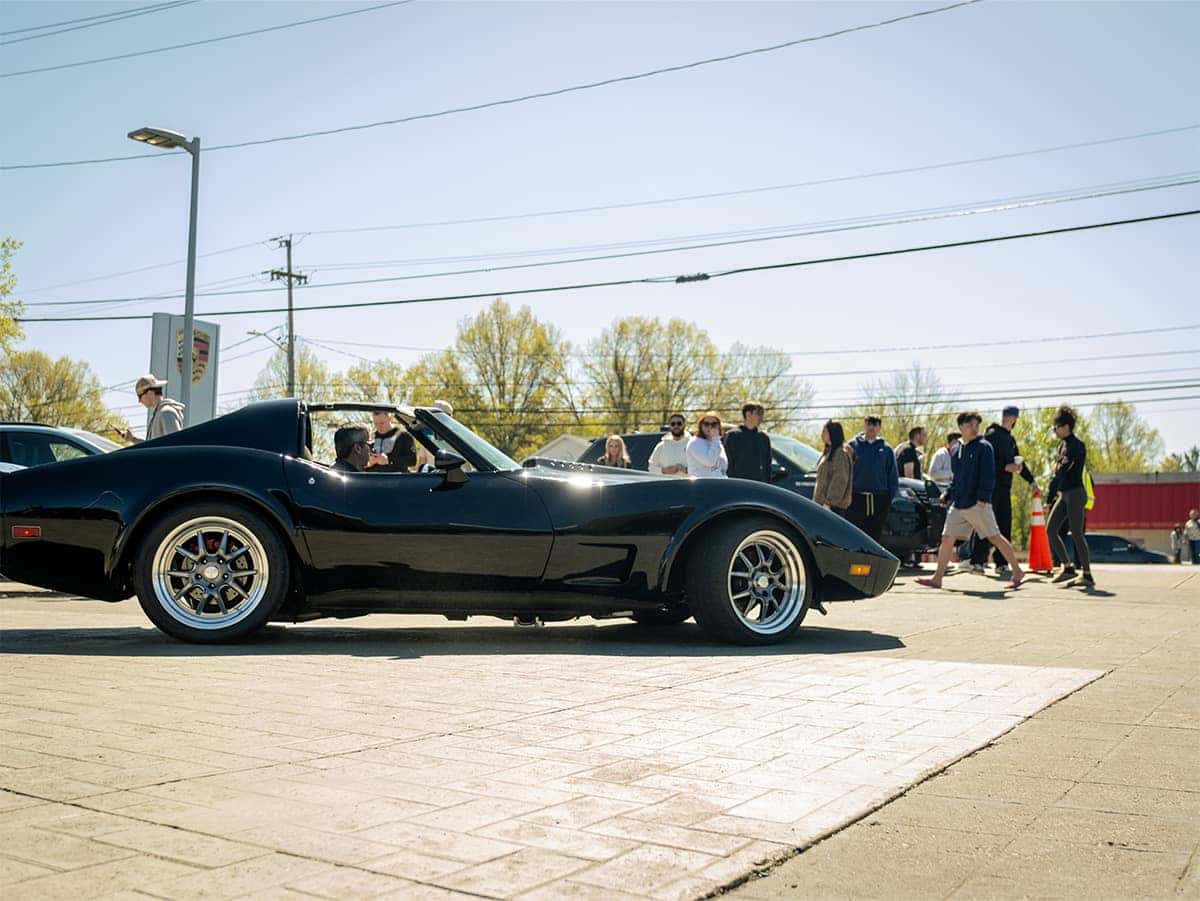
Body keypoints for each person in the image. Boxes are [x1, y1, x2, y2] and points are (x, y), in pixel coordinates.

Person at [917, 412, 1025, 591]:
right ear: (961, 428)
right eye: (970, 426)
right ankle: (937, 579)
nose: (974, 429)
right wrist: (948, 494)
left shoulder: (984, 447)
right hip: (959, 503)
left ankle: (1018, 571)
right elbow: (957, 478)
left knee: (995, 537)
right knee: (947, 538)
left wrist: (983, 498)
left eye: (976, 425)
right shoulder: (956, 449)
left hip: (977, 503)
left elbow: (989, 476)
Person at [970, 406, 1038, 576]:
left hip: (1005, 489)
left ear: (1014, 419)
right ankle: (978, 560)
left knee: (1004, 525)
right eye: (1007, 416)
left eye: (1011, 416)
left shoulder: (1010, 439)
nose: (1009, 419)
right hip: (990, 488)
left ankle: (1001, 563)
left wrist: (1032, 482)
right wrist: (1004, 467)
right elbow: (985, 461)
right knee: (985, 524)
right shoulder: (992, 435)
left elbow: (1019, 465)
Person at [1046, 405, 1094, 588]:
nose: (1054, 431)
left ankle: (1087, 574)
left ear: (1065, 426)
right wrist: (1050, 499)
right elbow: (1059, 473)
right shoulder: (1062, 446)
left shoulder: (1077, 445)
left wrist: (1058, 470)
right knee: (1051, 530)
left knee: (1076, 534)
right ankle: (1067, 568)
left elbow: (1062, 470)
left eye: (1055, 427)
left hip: (1075, 493)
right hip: (1063, 494)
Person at [847, 415, 898, 542]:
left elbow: (892, 475)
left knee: (875, 535)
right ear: (865, 425)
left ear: (879, 428)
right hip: (856, 497)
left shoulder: (886, 449)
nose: (872, 427)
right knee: (855, 533)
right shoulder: (852, 446)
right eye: (869, 424)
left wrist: (889, 499)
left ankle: (872, 561)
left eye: (875, 425)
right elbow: (846, 472)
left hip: (879, 498)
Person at [122, 374, 185, 442]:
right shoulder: (159, 414)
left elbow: (175, 444)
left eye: (140, 396)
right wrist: (133, 439)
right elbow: (153, 446)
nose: (139, 401)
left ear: (150, 393)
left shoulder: (166, 412)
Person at [723, 401, 771, 481]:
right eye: (758, 413)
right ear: (748, 414)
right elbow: (728, 463)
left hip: (760, 486)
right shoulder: (733, 435)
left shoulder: (763, 438)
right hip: (739, 484)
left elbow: (767, 465)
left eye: (762, 414)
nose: (761, 417)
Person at [813, 420, 853, 515]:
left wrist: (829, 503)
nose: (822, 434)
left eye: (824, 432)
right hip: (822, 505)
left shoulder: (840, 453)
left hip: (832, 507)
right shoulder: (829, 451)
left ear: (832, 433)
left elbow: (840, 479)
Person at [686, 411, 727, 478]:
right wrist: (716, 439)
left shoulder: (716, 442)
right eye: (706, 424)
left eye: (714, 424)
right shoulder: (695, 442)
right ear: (701, 426)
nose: (710, 427)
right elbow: (710, 462)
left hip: (719, 484)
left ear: (719, 426)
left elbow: (723, 468)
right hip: (701, 485)